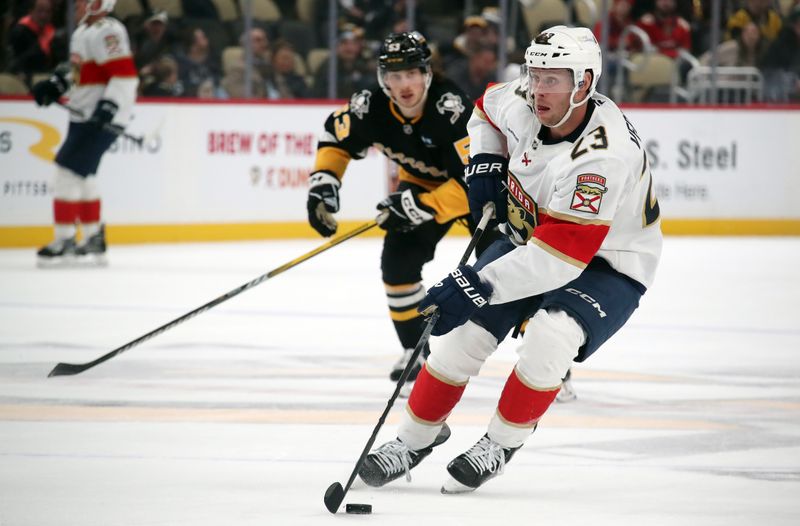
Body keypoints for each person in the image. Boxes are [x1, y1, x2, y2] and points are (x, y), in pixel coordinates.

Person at [358, 25, 663, 493]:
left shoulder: (601, 159)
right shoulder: (521, 96)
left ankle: (500, 443)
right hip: (532, 240)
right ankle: (414, 438)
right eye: (535, 74)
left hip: (607, 263)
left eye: (553, 79)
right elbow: (484, 111)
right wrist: (484, 164)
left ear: (584, 83)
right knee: (462, 337)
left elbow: (560, 258)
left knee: (550, 336)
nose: (538, 89)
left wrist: (478, 284)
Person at [306, 31, 497, 391]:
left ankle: (548, 360)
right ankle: (415, 351)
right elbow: (336, 135)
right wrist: (323, 184)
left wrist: (420, 206)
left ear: (426, 73)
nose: (404, 84)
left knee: (508, 270)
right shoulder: (371, 107)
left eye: (411, 73)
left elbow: (474, 179)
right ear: (383, 79)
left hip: (479, 194)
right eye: (394, 76)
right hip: (424, 186)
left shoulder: (451, 108)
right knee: (397, 264)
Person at [31, 0, 138, 265]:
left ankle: (65, 239)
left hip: (99, 118)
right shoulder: (82, 32)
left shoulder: (108, 31)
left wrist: (109, 107)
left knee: (66, 171)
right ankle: (94, 237)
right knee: (82, 173)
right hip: (83, 114)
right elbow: (79, 74)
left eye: (81, 1)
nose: (75, 5)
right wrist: (56, 85)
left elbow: (125, 76)